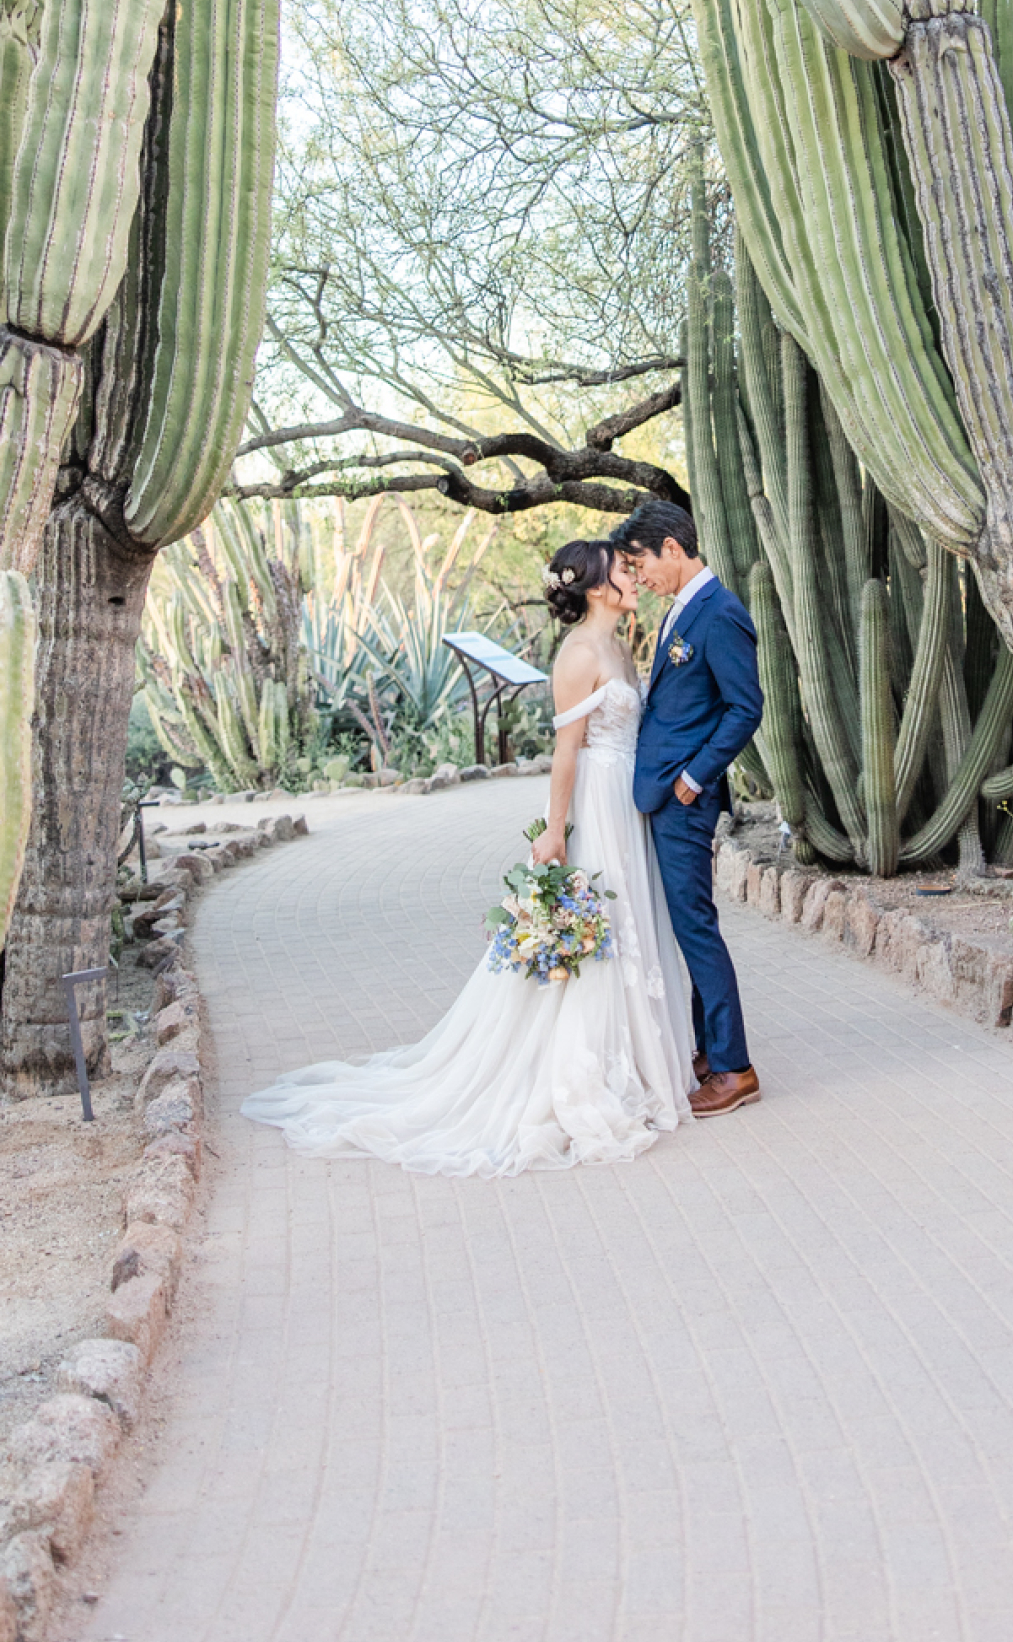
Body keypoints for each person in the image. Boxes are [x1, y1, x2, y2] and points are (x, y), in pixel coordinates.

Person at [239, 538, 690, 1177]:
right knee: (599, 930)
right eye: (624, 569)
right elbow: (567, 751)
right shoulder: (579, 654)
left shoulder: (618, 647)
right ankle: (583, 1070)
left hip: (626, 804)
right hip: (595, 805)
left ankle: (636, 1061)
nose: (635, 576)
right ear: (596, 586)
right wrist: (555, 831)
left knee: (628, 924)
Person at [609, 500, 764, 1117]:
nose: (639, 576)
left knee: (696, 927)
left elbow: (745, 708)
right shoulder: (683, 607)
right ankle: (708, 1049)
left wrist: (694, 778)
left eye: (640, 563)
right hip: (667, 792)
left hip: (684, 799)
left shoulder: (720, 613)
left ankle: (734, 1068)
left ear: (672, 548)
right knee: (688, 925)